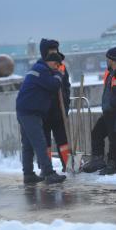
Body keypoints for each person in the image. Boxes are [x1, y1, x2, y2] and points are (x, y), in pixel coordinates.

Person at [82, 47, 116, 175]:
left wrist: (113, 102)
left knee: (114, 139)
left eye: (107, 58)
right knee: (96, 133)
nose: (106, 60)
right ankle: (98, 159)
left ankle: (113, 164)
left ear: (112, 60)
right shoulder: (110, 73)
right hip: (108, 112)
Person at [16, 52, 67, 184]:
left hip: (24, 110)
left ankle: (28, 175)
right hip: (31, 112)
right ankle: (49, 173)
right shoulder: (42, 70)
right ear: (50, 62)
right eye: (56, 64)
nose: (56, 67)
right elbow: (54, 85)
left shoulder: (37, 68)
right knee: (40, 143)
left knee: (27, 144)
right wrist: (59, 74)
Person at [39, 38, 71, 172]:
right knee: (45, 142)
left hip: (59, 110)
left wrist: (66, 104)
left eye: (55, 50)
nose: (53, 53)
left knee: (63, 141)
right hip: (45, 111)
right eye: (50, 50)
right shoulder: (41, 67)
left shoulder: (62, 66)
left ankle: (67, 165)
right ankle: (46, 168)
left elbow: (66, 87)